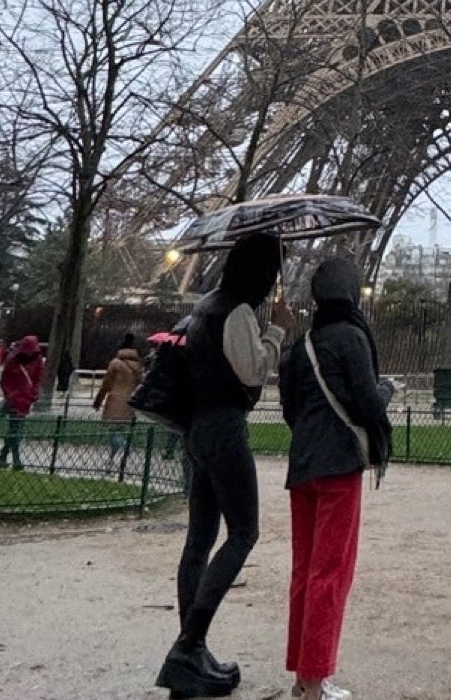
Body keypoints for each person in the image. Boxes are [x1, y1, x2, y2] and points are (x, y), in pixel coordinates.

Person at [156, 232, 287, 700]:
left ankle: (191, 651)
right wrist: (277, 331)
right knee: (244, 533)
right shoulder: (236, 311)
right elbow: (253, 371)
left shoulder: (206, 305)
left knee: (199, 538)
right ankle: (188, 646)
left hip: (197, 428)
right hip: (224, 427)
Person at [279, 257, 393, 700]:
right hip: (339, 465)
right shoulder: (351, 337)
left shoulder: (301, 345)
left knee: (305, 571)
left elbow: (291, 411)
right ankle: (315, 680)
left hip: (303, 465)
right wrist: (387, 390)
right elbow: (369, 405)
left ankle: (301, 675)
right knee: (332, 572)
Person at [93, 333, 145, 464]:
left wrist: (98, 402)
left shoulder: (115, 363)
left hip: (115, 400)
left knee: (113, 430)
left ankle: (124, 447)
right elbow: (140, 384)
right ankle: (112, 458)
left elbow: (106, 384)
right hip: (130, 402)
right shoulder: (138, 366)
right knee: (121, 430)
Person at [0, 335, 44, 470]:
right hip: (15, 400)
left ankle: (3, 456)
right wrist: (11, 395)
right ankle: (15, 459)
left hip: (25, 400)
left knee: (14, 429)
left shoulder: (36, 361)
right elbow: (5, 381)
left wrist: (33, 393)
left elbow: (37, 379)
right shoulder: (14, 361)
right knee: (16, 429)